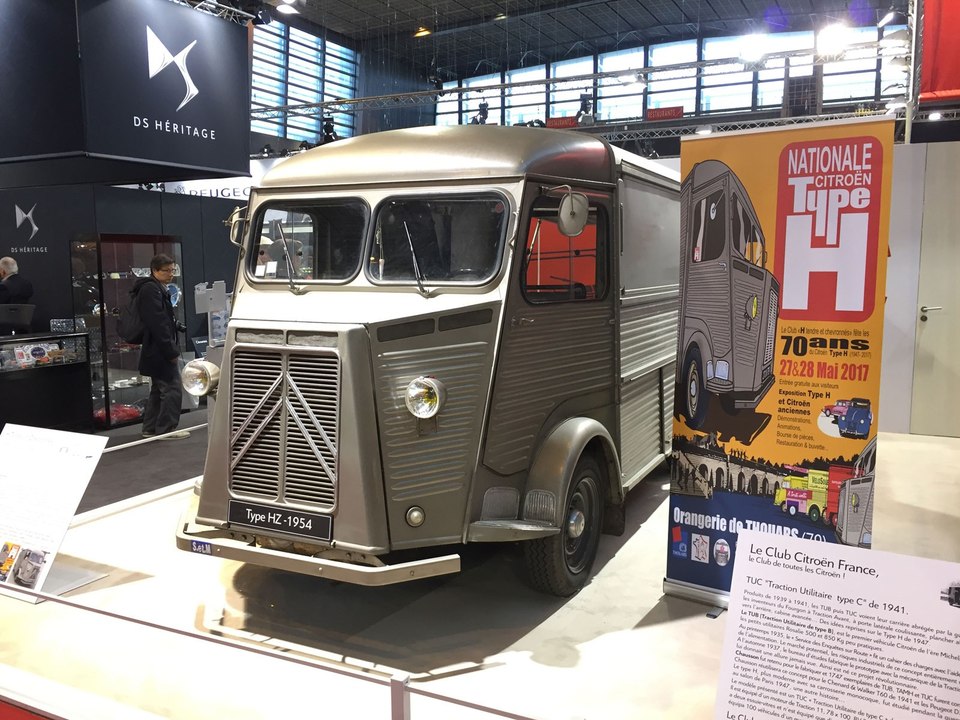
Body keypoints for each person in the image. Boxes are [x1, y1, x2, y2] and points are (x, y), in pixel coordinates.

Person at [134, 254, 188, 440]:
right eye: (166, 270)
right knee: (172, 388)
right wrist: (170, 350)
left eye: (173, 270)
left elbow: (162, 320)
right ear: (155, 270)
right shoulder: (150, 290)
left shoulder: (156, 288)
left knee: (158, 390)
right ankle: (166, 429)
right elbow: (158, 323)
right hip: (159, 350)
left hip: (156, 349)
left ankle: (150, 429)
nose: (171, 274)